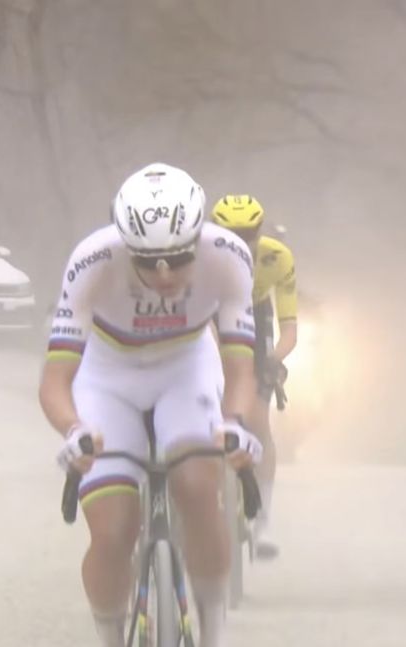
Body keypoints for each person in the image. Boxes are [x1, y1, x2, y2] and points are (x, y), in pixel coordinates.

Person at [39, 163, 262, 647]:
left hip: (186, 369)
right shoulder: (91, 261)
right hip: (107, 377)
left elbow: (241, 366)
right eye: (148, 262)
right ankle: (111, 637)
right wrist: (72, 429)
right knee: (113, 529)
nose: (164, 275)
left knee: (200, 491)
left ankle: (214, 634)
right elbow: (56, 380)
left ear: (199, 238)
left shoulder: (229, 256)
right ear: (124, 245)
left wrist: (238, 425)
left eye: (179, 259)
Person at [210, 195, 298, 559]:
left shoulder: (276, 258)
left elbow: (289, 328)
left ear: (260, 231)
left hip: (254, 319)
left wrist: (273, 361)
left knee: (259, 422)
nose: (241, 240)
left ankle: (263, 518)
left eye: (249, 233)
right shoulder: (200, 254)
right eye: (232, 233)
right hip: (209, 317)